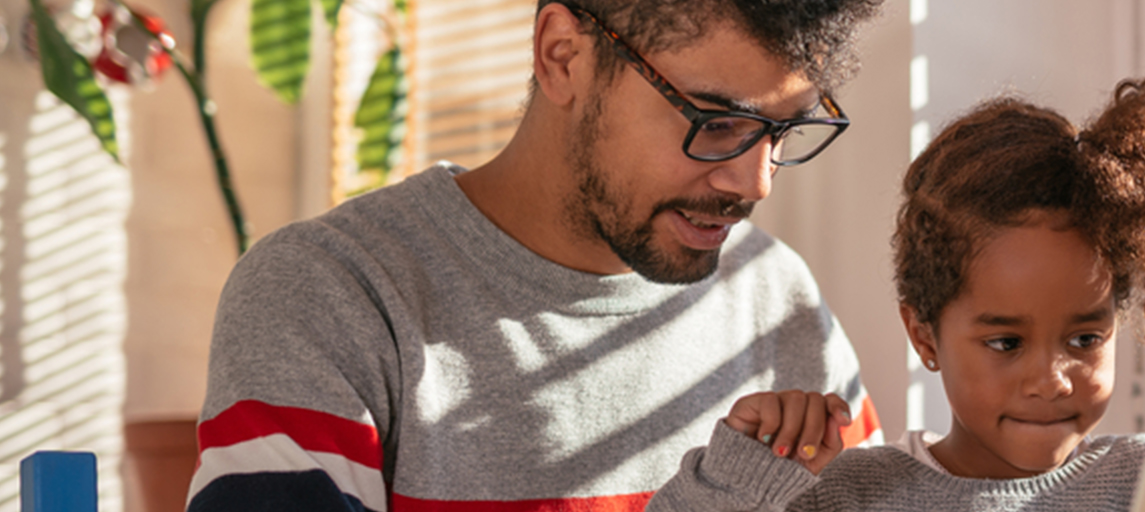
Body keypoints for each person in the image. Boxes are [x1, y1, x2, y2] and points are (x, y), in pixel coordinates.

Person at [186, 0, 883, 509]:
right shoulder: (331, 293)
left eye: (782, 133)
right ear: (563, 57)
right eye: (716, 121)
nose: (753, 181)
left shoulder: (772, 294)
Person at [646, 72, 1145, 511]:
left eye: (1085, 337)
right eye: (1007, 342)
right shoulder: (847, 493)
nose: (1053, 378)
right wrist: (743, 472)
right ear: (924, 336)